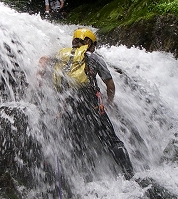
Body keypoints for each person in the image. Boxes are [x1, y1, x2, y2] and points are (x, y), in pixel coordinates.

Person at [38, 28, 134, 179]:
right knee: (112, 140)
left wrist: (39, 79)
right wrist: (109, 103)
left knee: (77, 143)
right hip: (89, 101)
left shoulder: (61, 54)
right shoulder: (92, 57)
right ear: (88, 42)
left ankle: (84, 179)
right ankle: (129, 175)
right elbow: (110, 86)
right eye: (94, 45)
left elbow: (43, 59)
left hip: (68, 104)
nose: (94, 48)